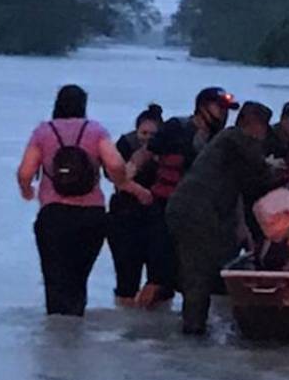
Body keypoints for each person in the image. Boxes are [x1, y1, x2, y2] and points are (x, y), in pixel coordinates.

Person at [17, 85, 150, 316]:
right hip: (91, 217)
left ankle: (55, 339)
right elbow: (116, 165)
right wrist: (126, 185)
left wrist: (27, 191)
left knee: (55, 280)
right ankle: (76, 333)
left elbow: (25, 172)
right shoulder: (95, 131)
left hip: (53, 216)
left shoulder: (43, 132)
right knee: (78, 280)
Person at [166, 102, 276, 335]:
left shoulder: (227, 144)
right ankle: (193, 329)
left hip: (196, 209)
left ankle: (196, 324)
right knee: (198, 271)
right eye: (264, 128)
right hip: (196, 211)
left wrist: (241, 224)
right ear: (255, 125)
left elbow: (237, 185)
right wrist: (274, 167)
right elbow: (261, 171)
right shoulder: (234, 138)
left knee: (202, 268)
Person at [140, 87, 240, 305]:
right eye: (219, 108)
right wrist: (126, 180)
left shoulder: (222, 140)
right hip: (164, 210)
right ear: (202, 107)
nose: (223, 114)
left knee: (193, 277)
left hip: (199, 217)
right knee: (158, 277)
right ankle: (137, 326)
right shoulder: (176, 127)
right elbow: (146, 154)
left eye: (226, 110)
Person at [107, 103, 170, 307]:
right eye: (143, 133)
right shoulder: (125, 144)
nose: (147, 138)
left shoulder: (168, 147)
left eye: (152, 134)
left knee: (160, 280)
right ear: (136, 131)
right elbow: (115, 177)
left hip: (158, 217)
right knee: (126, 279)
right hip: (125, 216)